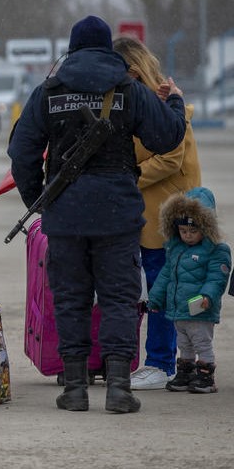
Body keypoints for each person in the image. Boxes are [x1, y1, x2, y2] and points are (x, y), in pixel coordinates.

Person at [8, 15, 187, 414]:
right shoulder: (129, 90)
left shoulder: (48, 91)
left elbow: (21, 152)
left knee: (70, 299)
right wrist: (174, 100)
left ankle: (74, 388)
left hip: (66, 216)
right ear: (108, 48)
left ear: (71, 49)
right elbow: (167, 136)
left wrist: (39, 199)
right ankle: (119, 388)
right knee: (119, 299)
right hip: (117, 214)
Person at [112, 36, 202, 391]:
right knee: (142, 292)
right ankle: (146, 360)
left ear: (133, 72)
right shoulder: (141, 104)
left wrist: (123, 177)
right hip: (144, 214)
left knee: (162, 293)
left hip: (167, 216)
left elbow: (170, 157)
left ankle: (161, 363)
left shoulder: (167, 104)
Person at [148, 186, 230, 394]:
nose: (188, 236)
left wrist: (207, 296)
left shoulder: (217, 250)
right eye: (183, 231)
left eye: (193, 231)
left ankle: (205, 375)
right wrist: (155, 299)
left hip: (200, 309)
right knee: (184, 342)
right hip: (179, 308)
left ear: (206, 227)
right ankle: (186, 371)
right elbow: (165, 276)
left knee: (202, 342)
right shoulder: (175, 248)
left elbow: (216, 278)